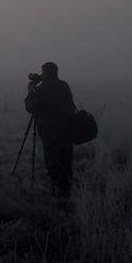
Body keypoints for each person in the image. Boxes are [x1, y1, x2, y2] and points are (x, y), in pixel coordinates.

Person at [24, 62, 76, 197]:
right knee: (66, 162)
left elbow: (31, 108)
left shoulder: (44, 89)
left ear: (45, 73)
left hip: (51, 133)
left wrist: (30, 93)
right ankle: (67, 190)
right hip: (67, 131)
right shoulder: (64, 85)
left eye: (42, 72)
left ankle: (58, 193)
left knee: (53, 164)